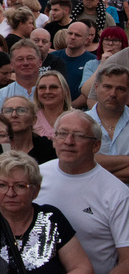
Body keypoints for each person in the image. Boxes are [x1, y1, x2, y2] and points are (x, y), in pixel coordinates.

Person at [0, 150, 92, 274]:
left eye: (20, 186)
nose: (10, 193)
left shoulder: (51, 217)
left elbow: (82, 267)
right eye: (2, 185)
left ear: (35, 190)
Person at [35, 110, 129, 274]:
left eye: (79, 136)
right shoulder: (36, 176)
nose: (69, 141)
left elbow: (127, 259)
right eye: (62, 134)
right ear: (54, 140)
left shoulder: (117, 193)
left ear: (96, 146)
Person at [86, 65, 129, 180]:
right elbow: (79, 162)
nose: (113, 94)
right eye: (107, 87)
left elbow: (86, 165)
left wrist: (95, 174)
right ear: (96, 87)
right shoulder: (80, 122)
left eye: (120, 89)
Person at [1, 96, 56, 164]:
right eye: (8, 111)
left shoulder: (48, 148)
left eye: (21, 110)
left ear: (33, 119)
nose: (14, 115)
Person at [33, 70, 73, 139]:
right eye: (42, 88)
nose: (47, 91)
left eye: (53, 87)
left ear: (65, 90)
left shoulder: (77, 118)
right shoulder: (30, 119)